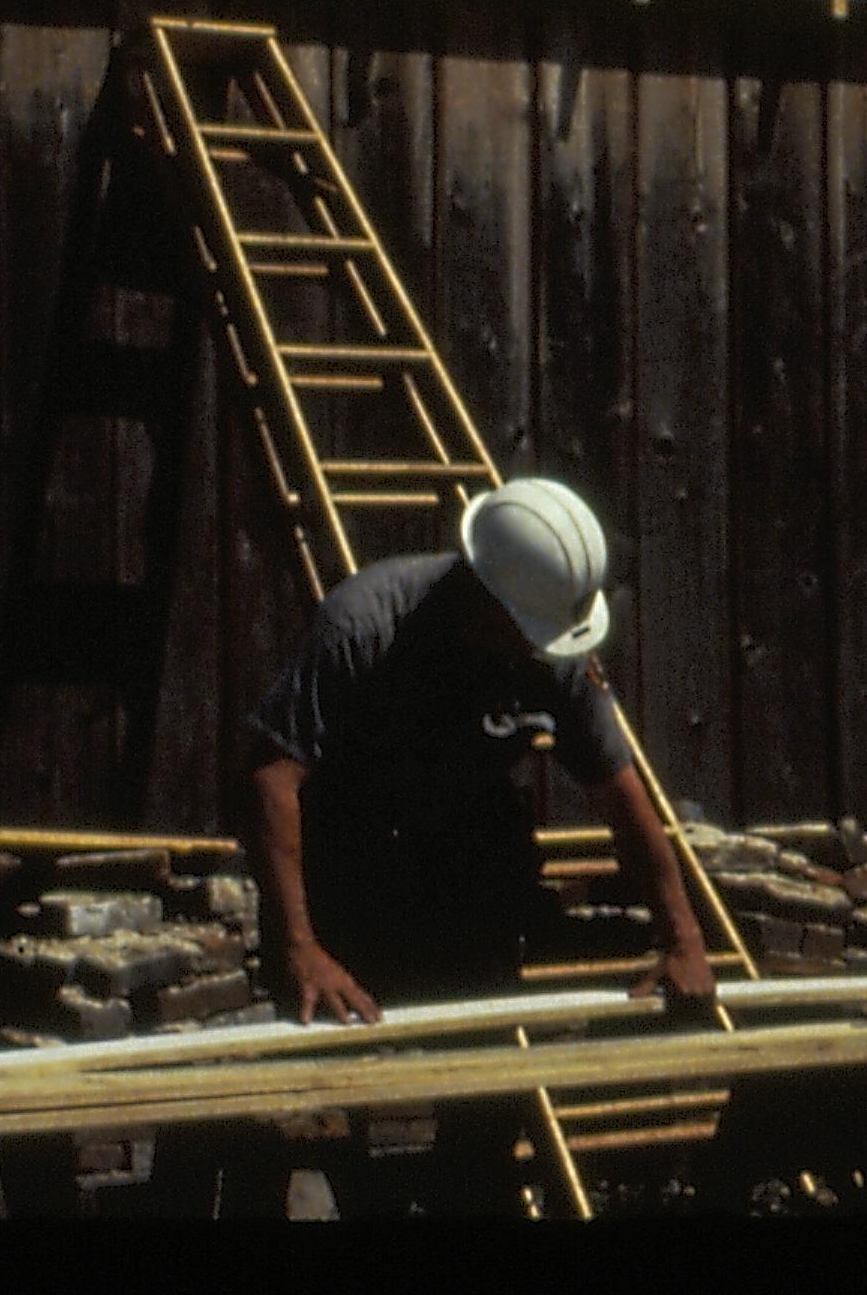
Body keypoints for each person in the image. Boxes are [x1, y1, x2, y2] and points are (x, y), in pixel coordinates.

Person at [242, 476, 714, 1212]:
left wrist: (682, 936)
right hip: (351, 869)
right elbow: (273, 778)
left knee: (484, 1100)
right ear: (488, 600)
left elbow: (622, 794)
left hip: (462, 875)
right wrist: (302, 945)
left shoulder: (552, 646)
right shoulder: (365, 623)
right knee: (331, 1110)